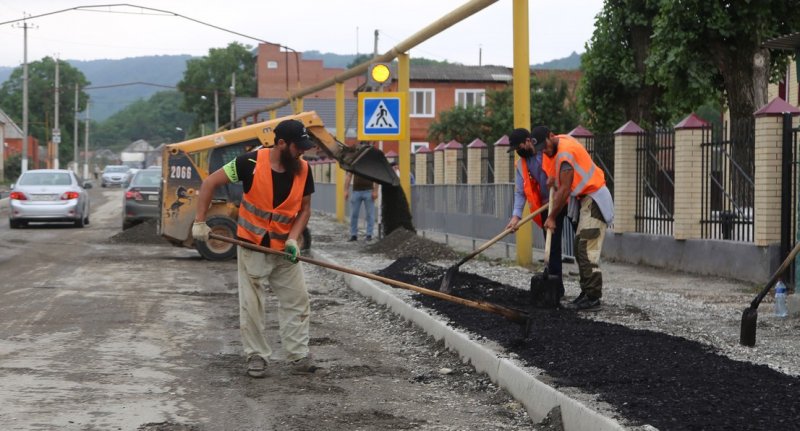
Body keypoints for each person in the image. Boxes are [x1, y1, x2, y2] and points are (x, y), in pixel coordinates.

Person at [191, 119, 319, 377]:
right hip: (252, 244)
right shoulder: (248, 163)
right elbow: (209, 184)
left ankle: (298, 355)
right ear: (281, 143)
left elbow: (305, 209)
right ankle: (257, 356)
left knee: (297, 300)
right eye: (298, 147)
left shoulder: (303, 169)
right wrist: (200, 222)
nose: (303, 152)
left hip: (285, 248)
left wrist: (294, 238)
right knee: (252, 304)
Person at [537, 126, 614, 311]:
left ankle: (593, 297)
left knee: (585, 248)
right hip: (585, 200)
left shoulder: (565, 153)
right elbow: (558, 179)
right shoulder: (557, 147)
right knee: (580, 243)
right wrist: (552, 179)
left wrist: (552, 217)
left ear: (551, 136)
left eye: (545, 145)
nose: (544, 150)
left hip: (595, 199)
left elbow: (564, 190)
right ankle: (587, 292)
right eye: (541, 149)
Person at [505, 128, 565, 293]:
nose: (518, 151)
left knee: (579, 241)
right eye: (515, 149)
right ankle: (556, 289)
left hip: (567, 198)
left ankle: (587, 292)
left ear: (528, 141)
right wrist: (516, 216)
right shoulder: (521, 164)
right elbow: (520, 191)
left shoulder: (546, 150)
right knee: (552, 246)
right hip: (548, 203)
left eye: (519, 147)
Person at [344, 171, 379, 241]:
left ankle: (369, 235)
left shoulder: (370, 163)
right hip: (356, 191)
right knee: (354, 214)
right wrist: (346, 190)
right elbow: (349, 176)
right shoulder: (354, 162)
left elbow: (376, 176)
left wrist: (375, 191)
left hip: (369, 191)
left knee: (370, 214)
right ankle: (353, 235)